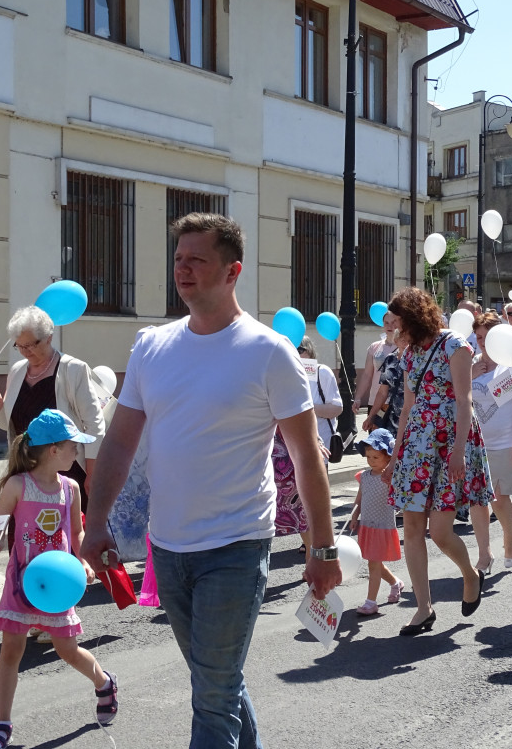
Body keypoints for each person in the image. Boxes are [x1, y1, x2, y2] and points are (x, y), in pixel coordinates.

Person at [82, 213, 340, 748]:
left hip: (237, 545)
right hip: (168, 547)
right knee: (215, 682)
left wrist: (323, 547)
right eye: (179, 259)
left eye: (197, 259)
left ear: (232, 272)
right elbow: (121, 442)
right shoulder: (152, 346)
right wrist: (96, 519)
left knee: (212, 697)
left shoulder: (269, 352)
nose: (183, 269)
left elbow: (308, 456)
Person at [0, 410, 117, 749]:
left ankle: (103, 682)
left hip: (57, 586)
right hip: (22, 583)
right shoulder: (17, 485)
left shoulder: (70, 489)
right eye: (74, 446)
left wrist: (82, 561)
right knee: (11, 650)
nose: (78, 453)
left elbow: (76, 532)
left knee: (67, 650)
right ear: (54, 450)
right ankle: (1, 725)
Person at [383, 286, 493, 635]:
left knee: (442, 533)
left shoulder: (455, 345)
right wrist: (395, 456)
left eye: (398, 321)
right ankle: (423, 608)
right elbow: (407, 408)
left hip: (449, 442)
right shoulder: (409, 353)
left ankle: (470, 574)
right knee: (412, 529)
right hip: (417, 445)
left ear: (414, 318)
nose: (394, 328)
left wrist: (459, 451)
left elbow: (464, 402)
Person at [0, 306, 106, 509]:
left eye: (31, 345)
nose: (25, 352)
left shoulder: (73, 369)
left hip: (67, 472)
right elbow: (6, 422)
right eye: (20, 346)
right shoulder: (17, 371)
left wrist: (92, 474)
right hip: (25, 472)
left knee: (67, 534)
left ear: (49, 337)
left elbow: (94, 425)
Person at [471, 310, 512, 570]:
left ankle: (509, 538)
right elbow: (455, 398)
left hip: (506, 443)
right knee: (478, 499)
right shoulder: (471, 364)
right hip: (476, 444)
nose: (482, 341)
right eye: (478, 337)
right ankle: (485, 553)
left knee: (498, 498)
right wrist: (470, 374)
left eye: (486, 336)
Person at [347, 428, 403, 615]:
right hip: (367, 526)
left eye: (376, 457)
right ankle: (396, 583)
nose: (371, 461)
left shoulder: (391, 477)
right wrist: (355, 516)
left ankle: (371, 602)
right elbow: (360, 498)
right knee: (374, 562)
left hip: (383, 527)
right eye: (368, 457)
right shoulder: (364, 476)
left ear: (388, 457)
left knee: (373, 564)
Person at [298, 336, 343, 458]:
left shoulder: (322, 372)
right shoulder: (285, 374)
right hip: (293, 444)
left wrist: (308, 408)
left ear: (309, 350)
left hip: (321, 442)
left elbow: (337, 408)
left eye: (299, 349)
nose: (295, 353)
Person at [272, 428, 311, 555]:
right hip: (262, 456)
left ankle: (312, 556)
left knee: (301, 509)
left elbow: (304, 418)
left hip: (288, 459)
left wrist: (314, 441)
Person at [363, 328, 408, 435]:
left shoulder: (416, 360)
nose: (406, 342)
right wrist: (371, 416)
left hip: (409, 415)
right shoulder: (390, 359)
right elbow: (383, 391)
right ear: (396, 341)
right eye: (402, 339)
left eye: (408, 339)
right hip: (390, 413)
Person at [352, 312, 397, 416]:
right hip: (375, 401)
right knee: (375, 431)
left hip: (395, 402)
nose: (390, 326)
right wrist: (358, 398)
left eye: (393, 323)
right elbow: (367, 375)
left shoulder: (405, 347)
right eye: (386, 323)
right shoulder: (375, 347)